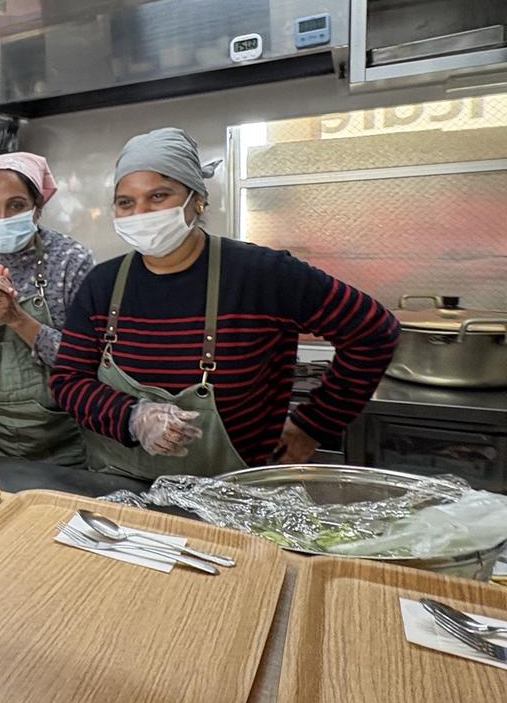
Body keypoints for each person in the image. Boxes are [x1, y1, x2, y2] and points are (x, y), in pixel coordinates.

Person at [49, 127, 400, 481]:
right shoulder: (103, 285)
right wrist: (132, 417)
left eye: (158, 196)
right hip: (116, 485)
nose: (140, 212)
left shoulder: (262, 274)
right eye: (126, 202)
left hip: (232, 491)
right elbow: (68, 380)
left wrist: (312, 425)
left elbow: (373, 332)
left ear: (197, 199)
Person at [0, 152, 95, 463]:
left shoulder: (71, 260)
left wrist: (17, 319)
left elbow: (85, 362)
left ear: (37, 207)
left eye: (16, 205)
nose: (2, 217)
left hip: (62, 441)